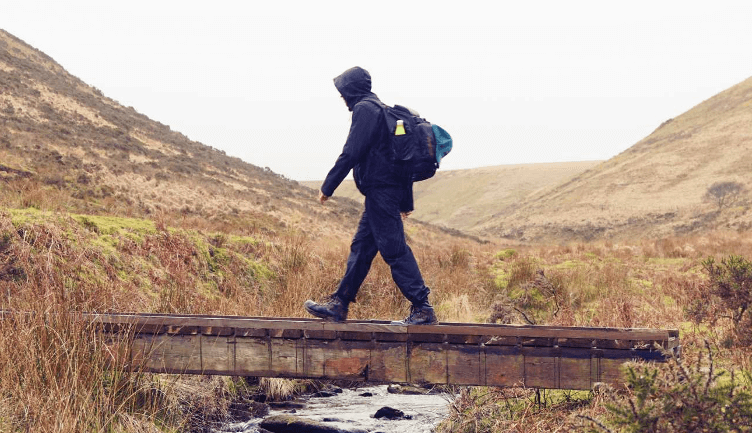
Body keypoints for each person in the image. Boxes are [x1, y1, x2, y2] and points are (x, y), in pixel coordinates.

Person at [303, 66, 438, 325]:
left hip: (381, 192)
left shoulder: (366, 109)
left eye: (343, 91)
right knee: (362, 248)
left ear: (351, 90)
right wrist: (406, 201)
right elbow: (400, 160)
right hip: (384, 192)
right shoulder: (382, 109)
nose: (342, 98)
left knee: (394, 250)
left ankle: (423, 308)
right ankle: (339, 304)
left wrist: (328, 186)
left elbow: (352, 151)